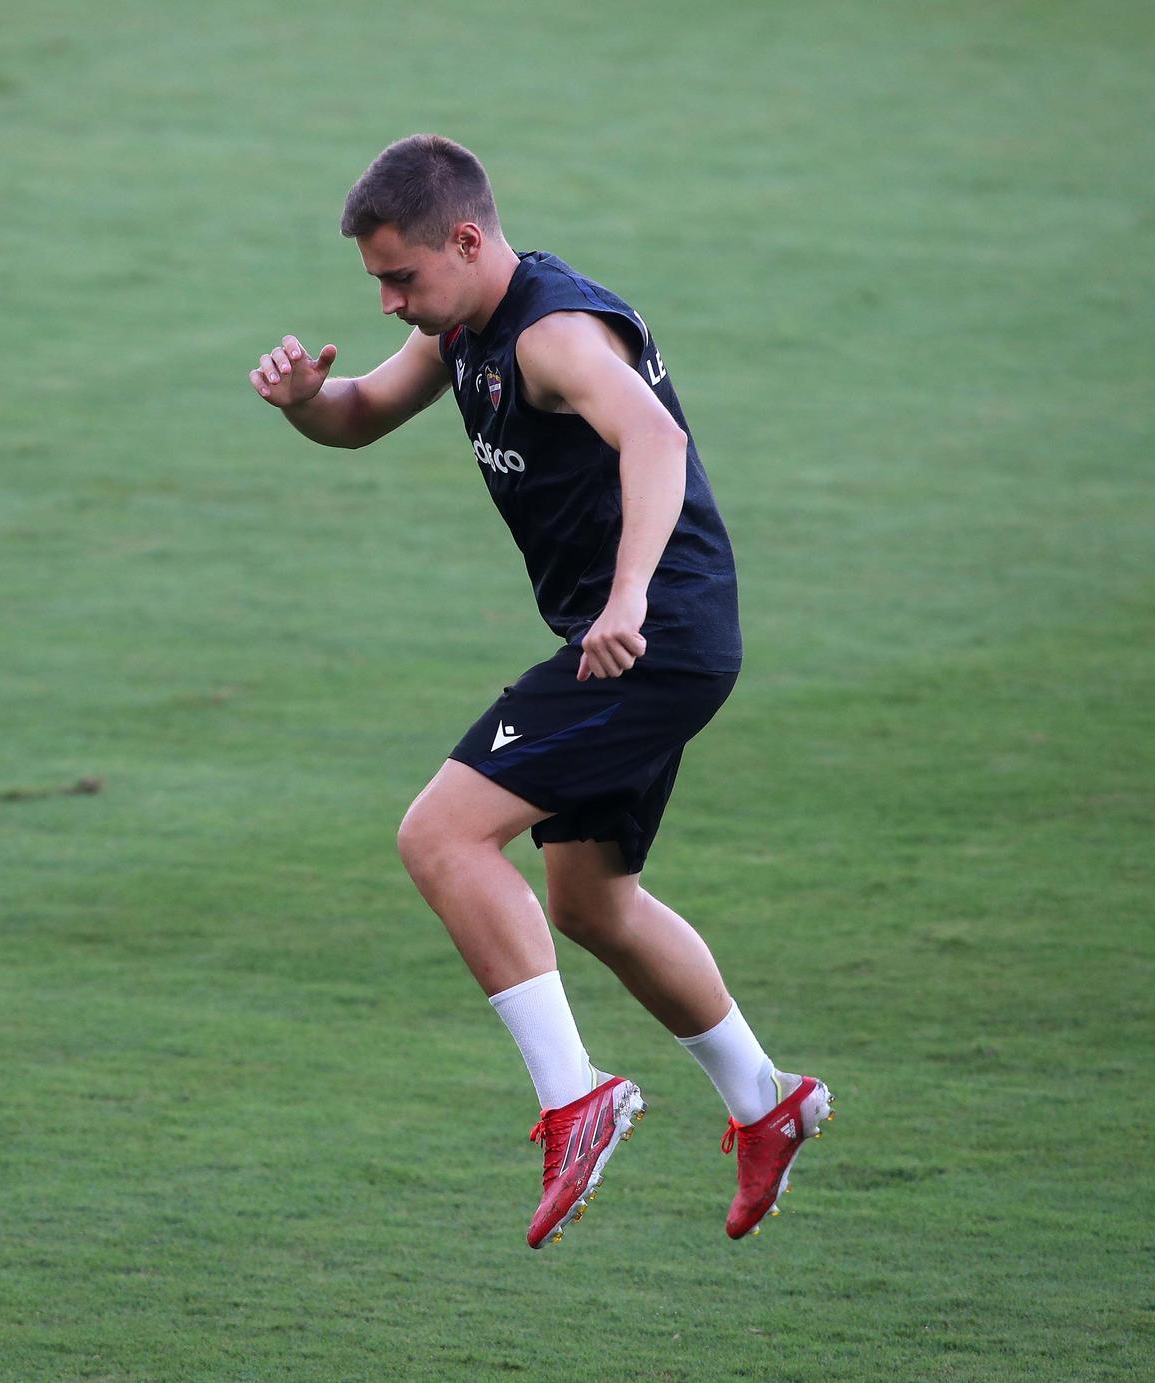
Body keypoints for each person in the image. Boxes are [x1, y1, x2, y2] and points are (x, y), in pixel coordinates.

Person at [246, 134, 832, 1249]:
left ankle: (577, 1098)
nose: (385, 302)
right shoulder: (462, 326)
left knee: (441, 837)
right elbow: (360, 414)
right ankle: (768, 1103)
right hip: (648, 639)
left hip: (643, 640)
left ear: (466, 240)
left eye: (399, 277)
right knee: (590, 904)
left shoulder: (555, 335)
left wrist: (623, 600)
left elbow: (654, 441)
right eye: (374, 281)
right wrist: (301, 404)